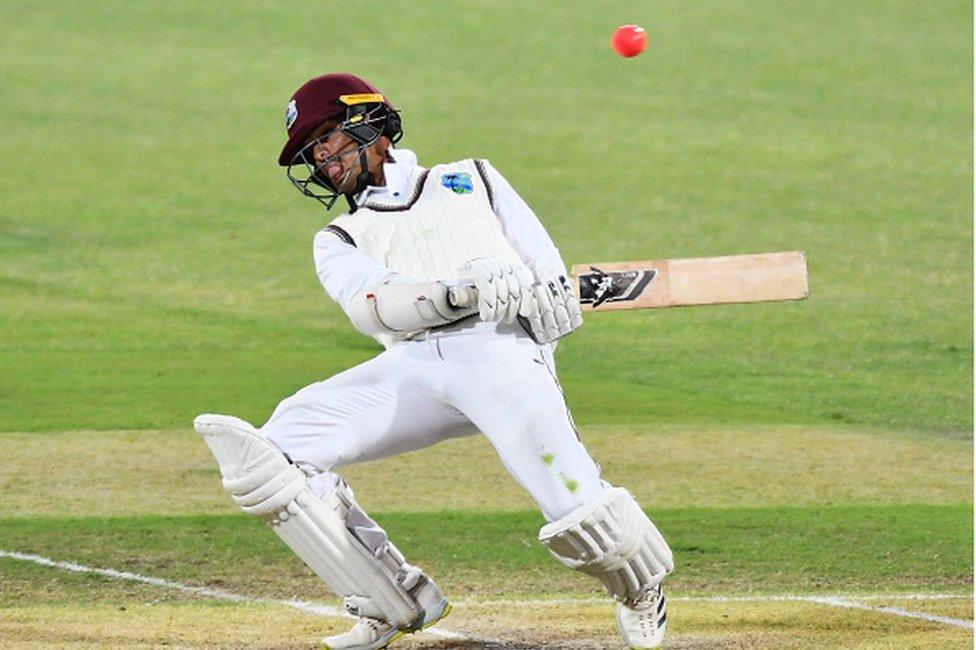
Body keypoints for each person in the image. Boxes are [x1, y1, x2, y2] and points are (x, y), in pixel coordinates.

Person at [194, 73, 673, 650]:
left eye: (325, 138)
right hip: (415, 366)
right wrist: (456, 291)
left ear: (368, 124)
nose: (320, 159)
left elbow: (543, 259)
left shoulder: (471, 178)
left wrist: (549, 299)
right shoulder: (340, 237)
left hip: (502, 355)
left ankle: (640, 589)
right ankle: (390, 599)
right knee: (274, 453)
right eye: (311, 151)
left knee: (573, 502)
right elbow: (374, 306)